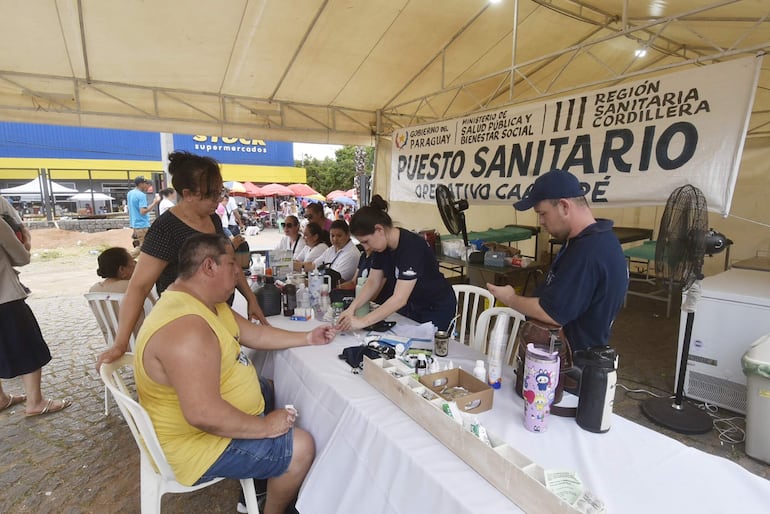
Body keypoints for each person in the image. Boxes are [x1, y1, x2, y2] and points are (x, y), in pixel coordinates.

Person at [134, 233, 336, 513]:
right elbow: (203, 414)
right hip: (197, 445)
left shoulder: (203, 303)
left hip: (209, 424)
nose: (239, 273)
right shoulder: (186, 329)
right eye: (232, 264)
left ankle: (261, 480)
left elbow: (256, 335)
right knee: (301, 448)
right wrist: (266, 427)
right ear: (209, 266)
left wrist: (307, 338)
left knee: (267, 387)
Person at [96, 151, 268, 369]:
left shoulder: (213, 219)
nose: (218, 199)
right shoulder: (165, 229)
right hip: (187, 326)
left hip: (219, 317)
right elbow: (138, 288)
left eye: (220, 191)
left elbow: (230, 263)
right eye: (211, 194)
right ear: (187, 194)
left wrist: (251, 298)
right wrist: (120, 344)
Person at [487, 169, 628, 352]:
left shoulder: (589, 251)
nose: (541, 221)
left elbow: (551, 313)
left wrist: (510, 298)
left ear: (564, 206)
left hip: (574, 361)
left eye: (543, 213)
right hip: (569, 355)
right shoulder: (589, 240)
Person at [337, 195, 457, 331]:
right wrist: (351, 309)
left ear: (379, 230)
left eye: (366, 241)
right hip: (413, 305)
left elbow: (399, 299)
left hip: (436, 307)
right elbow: (372, 282)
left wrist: (362, 322)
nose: (366, 247)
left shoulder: (411, 247)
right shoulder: (381, 248)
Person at [0, 196, 71, 417]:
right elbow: (22, 257)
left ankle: (1, 398)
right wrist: (26, 237)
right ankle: (35, 402)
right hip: (5, 297)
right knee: (29, 346)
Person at [127, 176, 160, 257]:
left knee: (143, 246)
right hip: (142, 224)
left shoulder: (130, 193)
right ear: (141, 184)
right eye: (146, 184)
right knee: (144, 246)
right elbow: (143, 211)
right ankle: (126, 259)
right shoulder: (141, 195)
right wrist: (154, 203)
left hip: (135, 224)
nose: (148, 186)